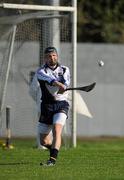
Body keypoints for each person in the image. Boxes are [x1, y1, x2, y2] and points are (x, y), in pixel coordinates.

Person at [34, 46, 70, 166]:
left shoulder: (65, 69)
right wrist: (59, 84)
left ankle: (52, 160)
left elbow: (65, 84)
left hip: (61, 104)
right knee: (44, 141)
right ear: (45, 58)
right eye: (49, 56)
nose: (52, 58)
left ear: (57, 56)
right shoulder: (40, 71)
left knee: (57, 129)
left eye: (54, 55)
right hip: (47, 106)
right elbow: (49, 80)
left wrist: (62, 88)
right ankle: (54, 150)